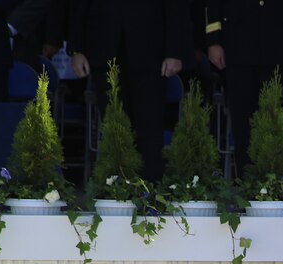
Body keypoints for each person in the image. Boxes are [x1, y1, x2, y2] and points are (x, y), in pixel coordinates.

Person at [68, 0, 191, 180]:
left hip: (150, 51)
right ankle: (115, 192)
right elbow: (78, 7)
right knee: (113, 125)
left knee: (149, 127)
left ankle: (149, 194)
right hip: (104, 49)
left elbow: (175, 8)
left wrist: (174, 52)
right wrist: (76, 49)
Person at [204, 0, 283, 177]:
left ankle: (274, 194)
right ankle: (246, 190)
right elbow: (214, 5)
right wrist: (213, 41)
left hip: (279, 49)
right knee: (242, 129)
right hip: (238, 48)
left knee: (276, 125)